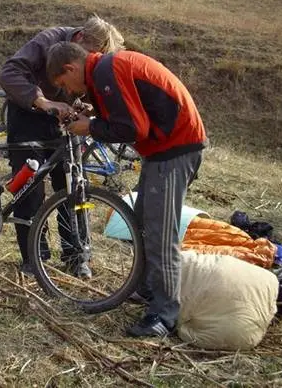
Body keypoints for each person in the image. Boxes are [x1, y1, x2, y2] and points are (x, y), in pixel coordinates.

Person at [45, 42, 207, 338]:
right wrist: (93, 112)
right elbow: (128, 111)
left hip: (175, 149)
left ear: (70, 68)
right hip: (162, 150)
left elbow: (133, 129)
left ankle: (164, 314)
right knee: (143, 219)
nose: (68, 92)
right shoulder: (103, 72)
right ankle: (146, 290)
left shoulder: (108, 71)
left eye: (64, 84)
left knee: (160, 233)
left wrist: (90, 128)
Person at [0, 15, 125, 278]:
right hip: (29, 115)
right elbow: (9, 73)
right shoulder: (47, 41)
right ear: (79, 40)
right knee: (30, 187)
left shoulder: (91, 56)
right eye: (88, 58)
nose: (90, 66)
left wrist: (90, 106)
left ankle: (76, 256)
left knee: (73, 184)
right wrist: (42, 102)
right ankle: (34, 258)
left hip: (65, 120)